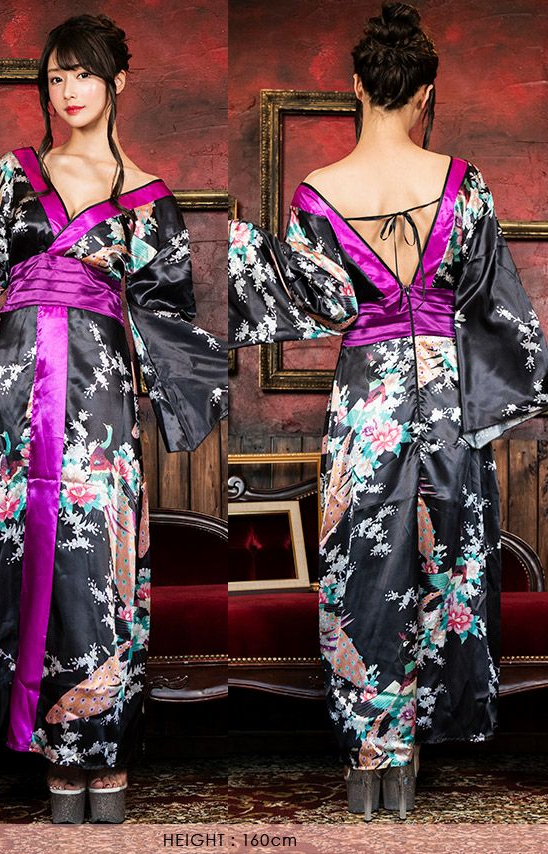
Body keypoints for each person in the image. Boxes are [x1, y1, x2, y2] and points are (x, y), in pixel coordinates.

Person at [228, 1, 548, 821]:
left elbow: (308, 301)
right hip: (447, 402)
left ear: (355, 86)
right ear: (426, 92)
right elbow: (499, 312)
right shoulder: (463, 184)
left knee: (361, 570)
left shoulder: (318, 192)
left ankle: (372, 757)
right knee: (449, 564)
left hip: (366, 399)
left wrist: (235, 248)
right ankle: (415, 752)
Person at [0, 14, 227, 824]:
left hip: (96, 399)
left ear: (118, 82)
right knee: (13, 551)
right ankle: (44, 744)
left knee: (96, 562)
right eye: (55, 77)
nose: (68, 91)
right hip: (13, 395)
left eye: (83, 74)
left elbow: (170, 316)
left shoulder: (149, 199)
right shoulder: (12, 175)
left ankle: (101, 746)